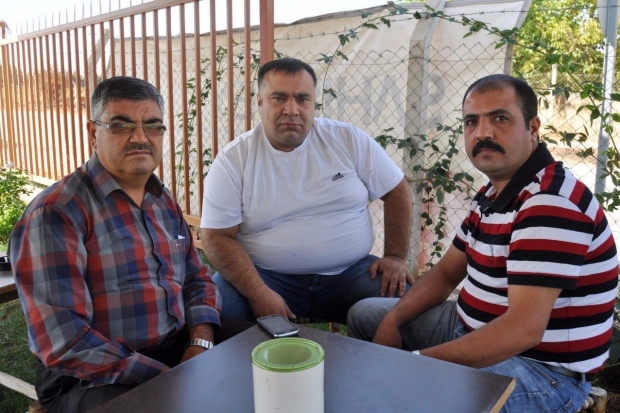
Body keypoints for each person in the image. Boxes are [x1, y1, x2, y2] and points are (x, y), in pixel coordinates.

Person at [347, 74, 619, 412]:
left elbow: (523, 331)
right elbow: (446, 273)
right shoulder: (494, 192)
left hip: (541, 369)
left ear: (533, 128)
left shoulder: (549, 202)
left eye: (500, 119)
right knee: (367, 316)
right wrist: (394, 319)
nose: (483, 133)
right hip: (468, 327)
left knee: (419, 400)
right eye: (471, 122)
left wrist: (416, 365)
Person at [9, 76, 222, 413]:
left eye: (152, 126)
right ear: (94, 133)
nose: (140, 138)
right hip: (90, 377)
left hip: (177, 348)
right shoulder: (57, 214)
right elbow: (65, 342)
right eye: (121, 126)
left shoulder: (161, 199)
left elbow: (197, 279)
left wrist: (200, 342)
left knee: (261, 358)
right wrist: (165, 378)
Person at [200, 57, 413, 324]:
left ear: (314, 103)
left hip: (351, 275)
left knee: (409, 306)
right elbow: (216, 237)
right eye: (279, 98)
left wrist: (394, 256)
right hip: (267, 278)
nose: (292, 110)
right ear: (259, 101)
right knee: (220, 308)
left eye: (302, 99)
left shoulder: (347, 139)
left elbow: (397, 190)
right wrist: (258, 293)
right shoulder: (234, 159)